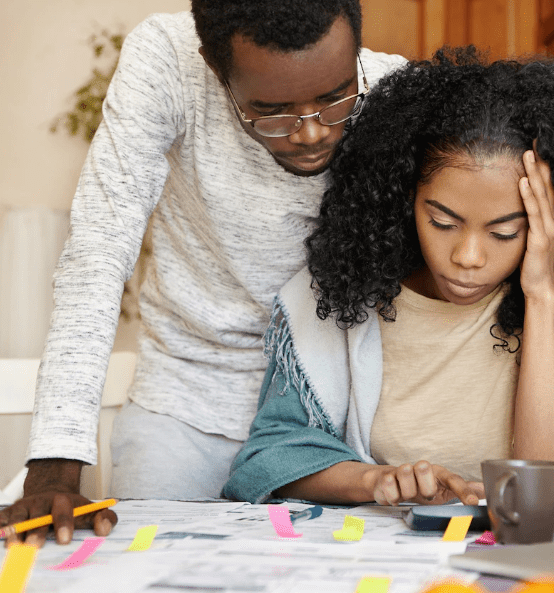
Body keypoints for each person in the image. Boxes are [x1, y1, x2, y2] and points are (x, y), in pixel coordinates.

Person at [0, 0, 405, 546]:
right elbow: (98, 251)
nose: (311, 134)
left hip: (326, 423)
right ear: (217, 71)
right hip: (184, 407)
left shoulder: (393, 90)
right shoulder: (168, 61)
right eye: (273, 109)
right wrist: (54, 464)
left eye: (335, 98)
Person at [221, 48, 554, 506]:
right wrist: (377, 482)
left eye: (504, 232)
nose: (467, 257)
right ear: (405, 197)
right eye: (442, 222)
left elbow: (543, 491)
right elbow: (268, 458)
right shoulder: (338, 296)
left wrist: (541, 295)